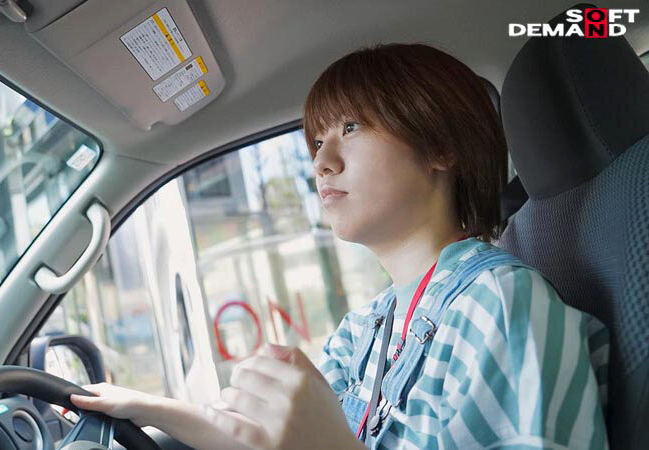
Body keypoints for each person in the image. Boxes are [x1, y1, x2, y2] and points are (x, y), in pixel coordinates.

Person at [69, 44, 609, 449]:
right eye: (316, 141)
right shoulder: (369, 327)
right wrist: (146, 407)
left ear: (439, 147)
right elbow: (262, 437)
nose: (322, 163)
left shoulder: (500, 304)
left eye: (350, 128)